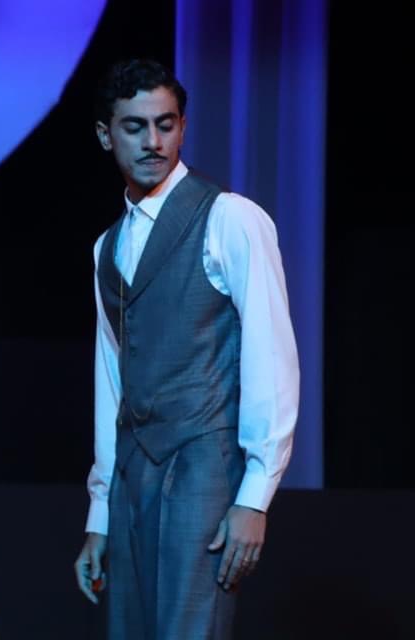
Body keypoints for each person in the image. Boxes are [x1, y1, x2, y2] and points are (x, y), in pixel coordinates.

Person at [73, 58, 300, 639]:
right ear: (105, 134)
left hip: (204, 465)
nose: (153, 141)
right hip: (132, 474)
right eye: (135, 127)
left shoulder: (230, 218)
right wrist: (100, 511)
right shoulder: (106, 247)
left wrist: (255, 495)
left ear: (182, 127)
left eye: (166, 124)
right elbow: (112, 380)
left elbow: (272, 356)